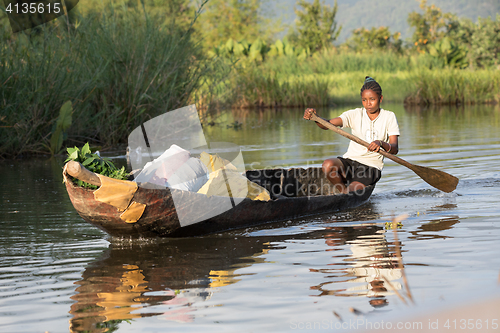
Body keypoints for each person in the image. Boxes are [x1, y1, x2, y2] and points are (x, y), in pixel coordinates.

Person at [303, 76, 400, 193]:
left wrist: (381, 143)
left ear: (380, 98)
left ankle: (348, 193)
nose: (368, 104)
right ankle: (343, 191)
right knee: (327, 165)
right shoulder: (355, 114)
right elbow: (326, 125)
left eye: (372, 99)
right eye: (364, 100)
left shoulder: (389, 116)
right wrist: (315, 118)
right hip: (350, 162)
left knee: (352, 191)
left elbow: (394, 149)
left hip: (371, 167)